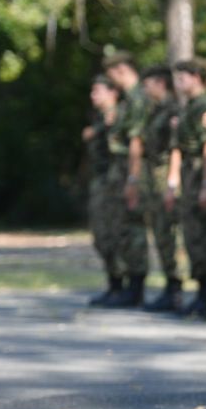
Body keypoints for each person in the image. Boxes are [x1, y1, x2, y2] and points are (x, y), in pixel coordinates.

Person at [166, 58, 206, 317]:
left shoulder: (204, 105)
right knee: (191, 235)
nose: (178, 83)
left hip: (200, 172)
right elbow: (178, 146)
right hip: (189, 173)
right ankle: (200, 293)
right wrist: (174, 181)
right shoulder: (189, 106)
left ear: (196, 77)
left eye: (182, 78)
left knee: (202, 236)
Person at [102, 51, 150, 307]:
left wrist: (133, 178)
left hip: (131, 169)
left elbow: (136, 140)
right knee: (122, 228)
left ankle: (137, 287)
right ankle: (129, 285)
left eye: (112, 75)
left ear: (121, 70)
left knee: (133, 228)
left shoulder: (138, 97)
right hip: (120, 169)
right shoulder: (128, 100)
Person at [139, 65, 184, 311]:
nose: (145, 90)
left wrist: (172, 181)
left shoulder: (173, 109)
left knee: (170, 233)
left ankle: (176, 287)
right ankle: (170, 285)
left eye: (148, 85)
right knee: (160, 232)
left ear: (159, 83)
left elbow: (176, 147)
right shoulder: (157, 110)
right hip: (155, 174)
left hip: (168, 173)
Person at [83, 75, 123, 306]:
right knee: (102, 235)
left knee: (116, 233)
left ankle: (123, 286)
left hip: (115, 181)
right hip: (102, 180)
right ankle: (113, 284)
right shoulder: (101, 118)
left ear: (112, 92)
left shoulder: (119, 115)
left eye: (98, 91)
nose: (93, 96)